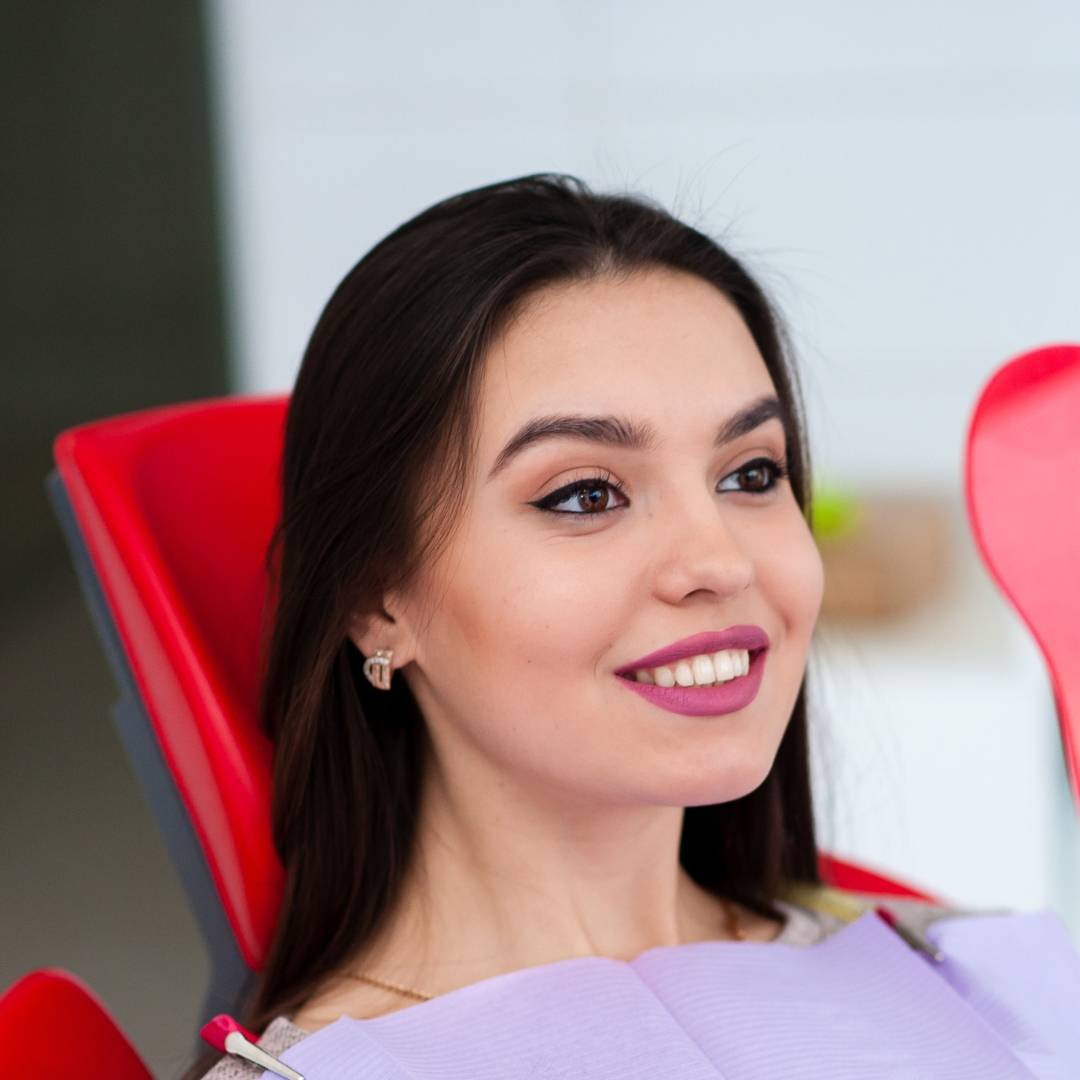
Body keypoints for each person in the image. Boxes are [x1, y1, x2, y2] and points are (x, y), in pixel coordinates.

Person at [189, 173, 1077, 1079]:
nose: (721, 561)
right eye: (586, 494)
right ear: (378, 600)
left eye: (749, 475)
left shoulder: (969, 971)